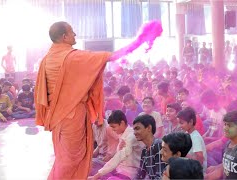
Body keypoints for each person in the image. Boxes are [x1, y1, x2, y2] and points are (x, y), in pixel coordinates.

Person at [35, 21, 151, 180]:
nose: (75, 34)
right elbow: (111, 56)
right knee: (72, 159)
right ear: (64, 36)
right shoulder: (72, 57)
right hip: (72, 115)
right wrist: (139, 40)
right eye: (72, 32)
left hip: (56, 117)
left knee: (64, 157)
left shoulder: (47, 59)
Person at [90, 110, 144, 180]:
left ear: (122, 123)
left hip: (129, 172)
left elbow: (118, 158)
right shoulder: (122, 134)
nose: (112, 130)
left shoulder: (131, 136)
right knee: (91, 165)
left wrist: (96, 176)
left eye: (113, 127)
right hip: (117, 168)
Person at [133, 114, 167, 179]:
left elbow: (161, 177)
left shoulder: (158, 145)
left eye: (137, 129)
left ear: (149, 128)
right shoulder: (144, 151)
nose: (134, 132)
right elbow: (140, 175)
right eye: (134, 129)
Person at [177, 107, 207, 173]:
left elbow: (200, 160)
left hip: (196, 171)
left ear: (190, 122)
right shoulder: (188, 133)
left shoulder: (195, 137)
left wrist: (183, 154)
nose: (180, 126)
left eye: (181, 123)